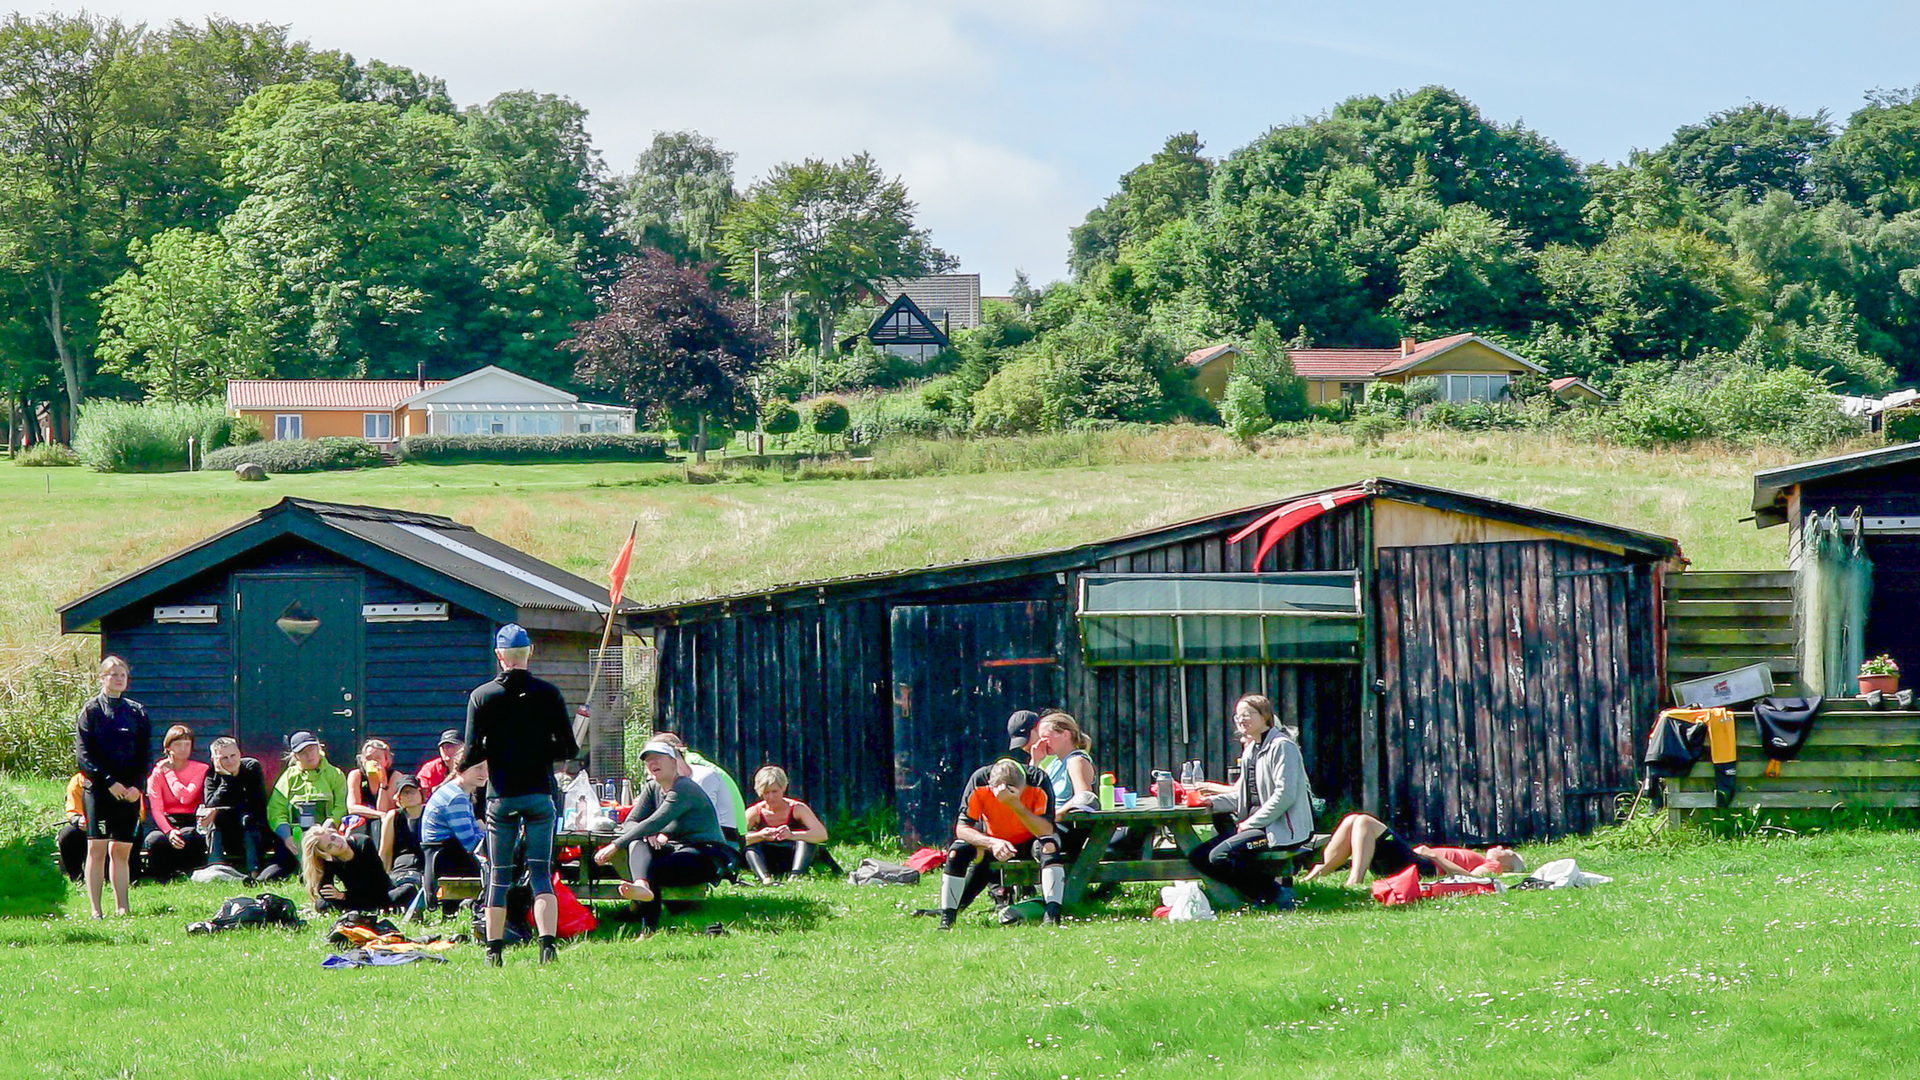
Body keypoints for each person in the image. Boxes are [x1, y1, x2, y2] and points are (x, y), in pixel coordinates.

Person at [463, 622, 579, 967]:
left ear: (500, 656)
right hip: (539, 793)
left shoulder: (482, 696)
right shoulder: (549, 693)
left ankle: (494, 951)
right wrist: (541, 748)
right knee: (541, 872)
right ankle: (547, 947)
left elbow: (470, 752)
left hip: (502, 796)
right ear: (530, 652)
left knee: (499, 874)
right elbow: (569, 748)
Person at [1185, 694, 1315, 908]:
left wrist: (1251, 823)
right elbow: (1243, 796)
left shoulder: (1282, 747)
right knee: (1198, 856)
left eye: (1247, 714)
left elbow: (1285, 796)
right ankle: (1263, 893)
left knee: (1220, 856)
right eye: (1237, 717)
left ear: (1265, 716)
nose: (1241, 720)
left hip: (1282, 829)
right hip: (1256, 826)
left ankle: (1273, 894)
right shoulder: (1250, 751)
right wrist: (1212, 803)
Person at [593, 740, 734, 934]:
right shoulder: (652, 788)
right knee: (638, 843)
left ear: (674, 763)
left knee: (653, 868)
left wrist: (615, 845)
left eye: (658, 758)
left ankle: (647, 927)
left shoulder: (684, 787)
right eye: (648, 760)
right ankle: (641, 886)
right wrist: (647, 833)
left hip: (707, 854)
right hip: (677, 849)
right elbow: (632, 821)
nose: (652, 763)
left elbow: (657, 820)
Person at [937, 758, 1065, 929]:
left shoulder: (1038, 780)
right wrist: (991, 843)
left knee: (1049, 846)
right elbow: (962, 829)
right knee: (957, 851)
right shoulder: (979, 780)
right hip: (994, 842)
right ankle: (947, 919)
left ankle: (1052, 916)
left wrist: (1015, 804)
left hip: (1030, 839)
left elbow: (1046, 830)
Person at [75, 655, 150, 918]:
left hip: (129, 793)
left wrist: (136, 787)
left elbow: (145, 754)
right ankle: (96, 909)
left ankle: (123, 907)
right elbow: (84, 756)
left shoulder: (137, 712)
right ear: (102, 678)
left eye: (123, 675)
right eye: (113, 674)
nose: (119, 679)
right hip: (99, 790)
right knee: (97, 848)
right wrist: (109, 783)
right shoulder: (91, 711)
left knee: (121, 850)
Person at [1300, 812, 1525, 886]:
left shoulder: (1491, 867)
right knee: (1352, 820)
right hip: (1414, 861)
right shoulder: (1483, 858)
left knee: (1365, 822)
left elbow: (1470, 880)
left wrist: (1434, 855)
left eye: (1507, 851)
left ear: (1506, 864)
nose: (1499, 847)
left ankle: (1354, 881)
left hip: (1422, 868)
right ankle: (1313, 876)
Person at [265, 731, 349, 868]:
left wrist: (328, 828)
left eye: (312, 749)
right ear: (295, 756)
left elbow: (341, 806)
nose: (309, 755)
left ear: (319, 748)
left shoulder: (335, 774)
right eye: (303, 752)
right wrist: (286, 836)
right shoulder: (288, 777)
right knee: (271, 874)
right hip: (295, 837)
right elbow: (276, 810)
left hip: (327, 836)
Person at [201, 737, 281, 879]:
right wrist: (226, 778)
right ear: (214, 759)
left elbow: (257, 803)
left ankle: (254, 871)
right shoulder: (211, 774)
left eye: (233, 755)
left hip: (255, 830)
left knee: (247, 817)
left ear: (239, 753)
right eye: (224, 758)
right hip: (227, 833)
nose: (230, 761)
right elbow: (210, 804)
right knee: (216, 818)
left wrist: (223, 807)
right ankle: (215, 868)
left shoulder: (251, 767)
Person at [653, 732, 746, 850]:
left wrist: (662, 832)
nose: (653, 764)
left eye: (657, 757)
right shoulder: (680, 772)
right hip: (695, 837)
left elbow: (697, 819)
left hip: (723, 839)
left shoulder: (700, 773)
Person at [300, 822, 420, 913]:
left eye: (333, 838)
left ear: (336, 832)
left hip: (380, 891)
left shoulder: (363, 843)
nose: (337, 844)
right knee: (321, 905)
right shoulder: (330, 860)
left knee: (407, 891)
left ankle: (365, 907)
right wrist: (337, 895)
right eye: (330, 846)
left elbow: (377, 886)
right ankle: (363, 907)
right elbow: (325, 891)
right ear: (326, 854)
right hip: (356, 897)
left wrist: (343, 896)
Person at [141, 724, 210, 881]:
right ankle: (163, 877)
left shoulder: (201, 769)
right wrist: (169, 831)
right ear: (168, 747)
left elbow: (184, 796)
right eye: (178, 744)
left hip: (191, 819)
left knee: (189, 835)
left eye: (187, 744)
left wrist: (168, 771)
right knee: (155, 839)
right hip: (166, 820)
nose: (183, 748)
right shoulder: (156, 774)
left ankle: (190, 874)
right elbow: (156, 808)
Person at [741, 766, 830, 883]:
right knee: (751, 843)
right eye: (766, 793)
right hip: (768, 859)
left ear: (783, 788)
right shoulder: (754, 812)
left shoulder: (797, 808)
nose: (771, 797)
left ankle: (796, 875)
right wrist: (760, 835)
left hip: (793, 856)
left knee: (806, 840)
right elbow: (736, 840)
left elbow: (822, 835)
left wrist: (791, 835)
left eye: (775, 791)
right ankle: (764, 878)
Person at [420, 757, 489, 882]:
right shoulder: (456, 798)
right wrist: (490, 833)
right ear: (462, 769)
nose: (484, 773)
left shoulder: (458, 792)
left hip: (448, 865)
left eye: (487, 767)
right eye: (478, 768)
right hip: (449, 871)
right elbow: (472, 844)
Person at [1034, 712, 1098, 811]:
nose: (1041, 742)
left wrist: (1055, 816)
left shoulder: (1077, 761)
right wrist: (1035, 762)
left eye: (1045, 737)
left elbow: (1084, 799)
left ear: (1065, 735)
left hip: (1065, 823)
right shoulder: (1052, 764)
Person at [380, 774, 427, 876]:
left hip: (427, 864)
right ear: (399, 798)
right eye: (405, 793)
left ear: (420, 793)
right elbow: (385, 852)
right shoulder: (393, 816)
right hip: (402, 868)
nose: (410, 796)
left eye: (413, 792)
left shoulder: (431, 813)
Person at [345, 738, 401, 825]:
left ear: (386, 761)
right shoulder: (356, 775)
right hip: (363, 821)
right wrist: (379, 814)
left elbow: (385, 809)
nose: (373, 761)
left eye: (378, 758)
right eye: (368, 758)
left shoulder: (395, 777)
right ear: (362, 760)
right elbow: (352, 807)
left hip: (386, 823)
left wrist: (383, 785)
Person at [415, 730, 465, 799]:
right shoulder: (430, 769)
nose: (447, 749)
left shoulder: (470, 767)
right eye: (444, 747)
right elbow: (422, 793)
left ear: (463, 747)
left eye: (452, 746)